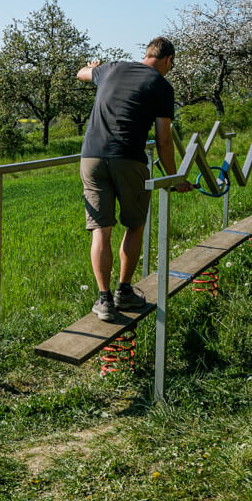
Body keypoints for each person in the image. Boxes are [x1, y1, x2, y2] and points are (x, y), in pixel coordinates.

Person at [76, 36, 192, 322]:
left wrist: (94, 66)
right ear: (167, 60)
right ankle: (124, 292)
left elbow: (82, 74)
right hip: (128, 157)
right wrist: (174, 177)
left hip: (90, 157)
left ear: (146, 54)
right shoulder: (162, 86)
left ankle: (104, 301)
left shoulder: (111, 68)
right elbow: (164, 141)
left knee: (101, 230)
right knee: (134, 224)